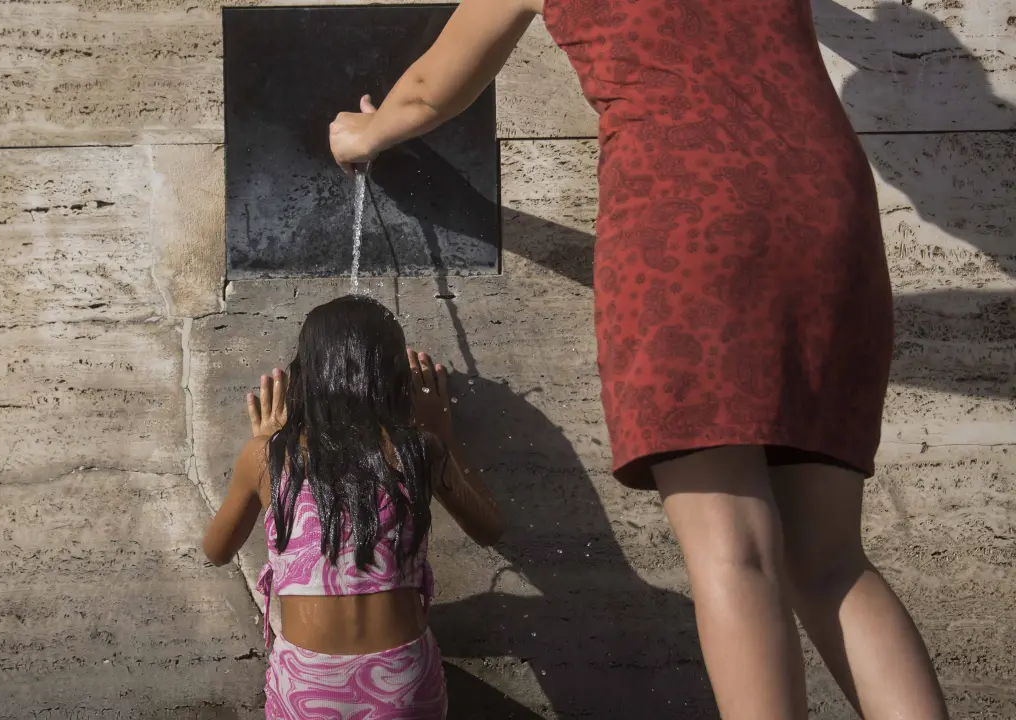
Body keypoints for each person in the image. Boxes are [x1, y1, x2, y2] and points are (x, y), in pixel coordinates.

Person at [327, 1, 950, 718]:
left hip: (688, 215)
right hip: (829, 210)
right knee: (831, 559)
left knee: (734, 551)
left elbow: (428, 91)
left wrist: (362, 133)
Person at [202, 295, 504, 718]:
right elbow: (491, 529)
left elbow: (216, 552)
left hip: (307, 685)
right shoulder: (420, 450)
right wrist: (444, 436)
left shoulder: (266, 457)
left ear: (305, 375)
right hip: (401, 686)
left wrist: (266, 447)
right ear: (394, 377)